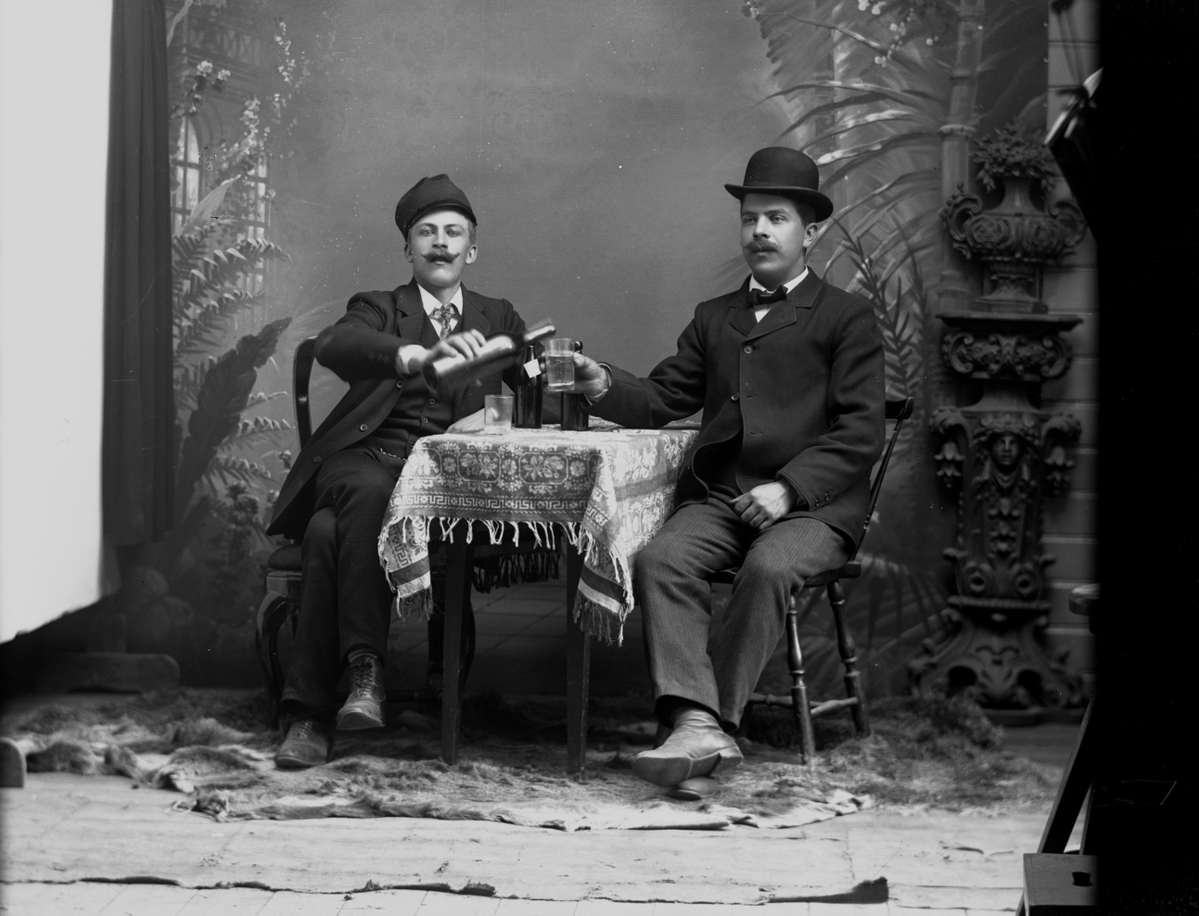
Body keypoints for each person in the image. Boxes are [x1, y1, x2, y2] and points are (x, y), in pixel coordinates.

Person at [573, 147, 885, 791]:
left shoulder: (846, 316)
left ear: (810, 233)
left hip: (815, 506)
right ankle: (697, 722)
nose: (759, 231)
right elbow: (662, 397)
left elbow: (861, 430)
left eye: (776, 218)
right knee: (661, 560)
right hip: (725, 499)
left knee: (768, 568)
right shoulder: (715, 316)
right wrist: (601, 381)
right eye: (749, 219)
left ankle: (708, 724)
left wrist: (789, 489)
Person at [265, 174, 526, 769]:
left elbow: (534, 387)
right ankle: (366, 672)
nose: (440, 243)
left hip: (438, 487)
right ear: (408, 248)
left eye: (453, 232)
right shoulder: (380, 308)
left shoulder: (497, 315)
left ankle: (308, 717)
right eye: (426, 233)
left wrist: (502, 415)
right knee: (370, 489)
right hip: (363, 460)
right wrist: (410, 354)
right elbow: (337, 344)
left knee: (327, 533)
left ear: (472, 249)